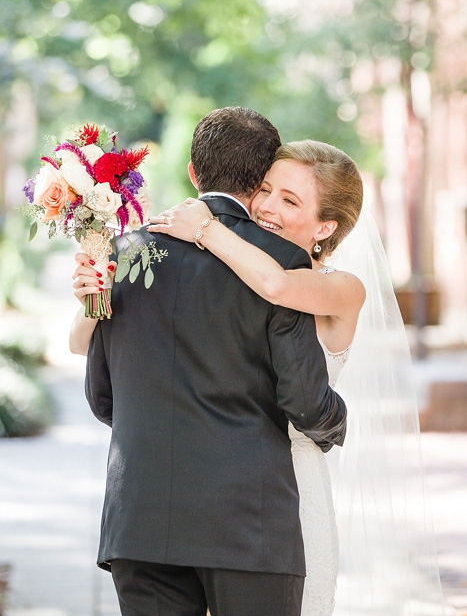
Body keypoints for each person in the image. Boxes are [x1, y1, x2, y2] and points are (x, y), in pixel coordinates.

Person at [147, 139, 447, 616]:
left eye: (290, 200)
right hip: (216, 496)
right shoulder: (233, 270)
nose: (266, 206)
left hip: (291, 490)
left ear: (326, 226)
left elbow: (279, 285)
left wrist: (206, 227)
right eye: (265, 189)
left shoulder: (341, 288)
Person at [72, 107, 347, 616]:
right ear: (262, 180)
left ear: (194, 173)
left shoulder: (123, 254)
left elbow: (102, 397)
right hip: (247, 524)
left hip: (140, 522)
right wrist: (337, 426)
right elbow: (303, 400)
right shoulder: (283, 261)